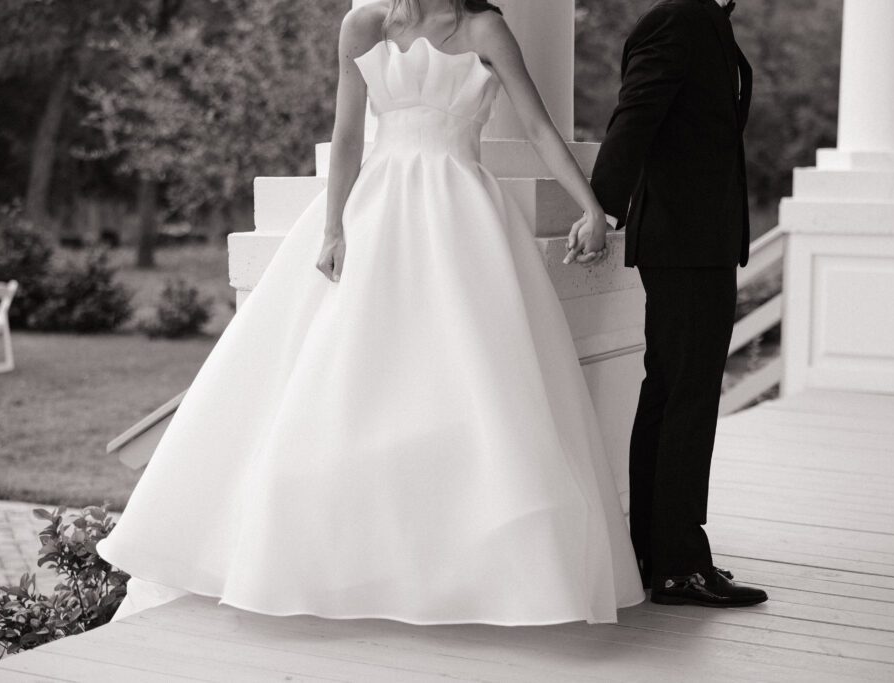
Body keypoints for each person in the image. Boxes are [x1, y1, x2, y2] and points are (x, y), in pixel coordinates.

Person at [96, 0, 646, 626]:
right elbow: (349, 134)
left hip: (461, 220)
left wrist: (592, 208)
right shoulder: (365, 25)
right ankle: (325, 562)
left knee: (470, 383)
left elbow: (540, 128)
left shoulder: (486, 27)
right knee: (348, 378)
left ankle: (470, 571)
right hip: (374, 214)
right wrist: (332, 227)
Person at [590, 0, 768, 607]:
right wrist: (602, 207)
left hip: (696, 240)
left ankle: (656, 552)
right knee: (686, 398)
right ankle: (679, 564)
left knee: (671, 396)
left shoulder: (705, 20)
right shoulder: (679, 21)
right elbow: (635, 115)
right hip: (685, 241)